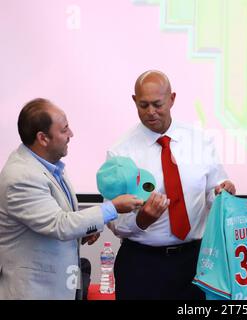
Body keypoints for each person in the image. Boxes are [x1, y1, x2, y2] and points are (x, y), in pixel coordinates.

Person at [0, 98, 162, 300]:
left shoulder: (51, 166)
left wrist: (82, 233)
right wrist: (112, 208)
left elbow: (57, 221)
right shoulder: (21, 177)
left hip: (61, 287)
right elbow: (59, 224)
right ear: (43, 138)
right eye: (64, 130)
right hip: (34, 292)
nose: (71, 134)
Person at [107, 70, 235, 300]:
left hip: (195, 263)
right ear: (134, 101)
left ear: (172, 99)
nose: (150, 112)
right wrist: (141, 220)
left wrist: (223, 193)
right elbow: (112, 218)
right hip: (141, 265)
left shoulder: (200, 141)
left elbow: (213, 195)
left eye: (157, 104)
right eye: (143, 105)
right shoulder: (120, 152)